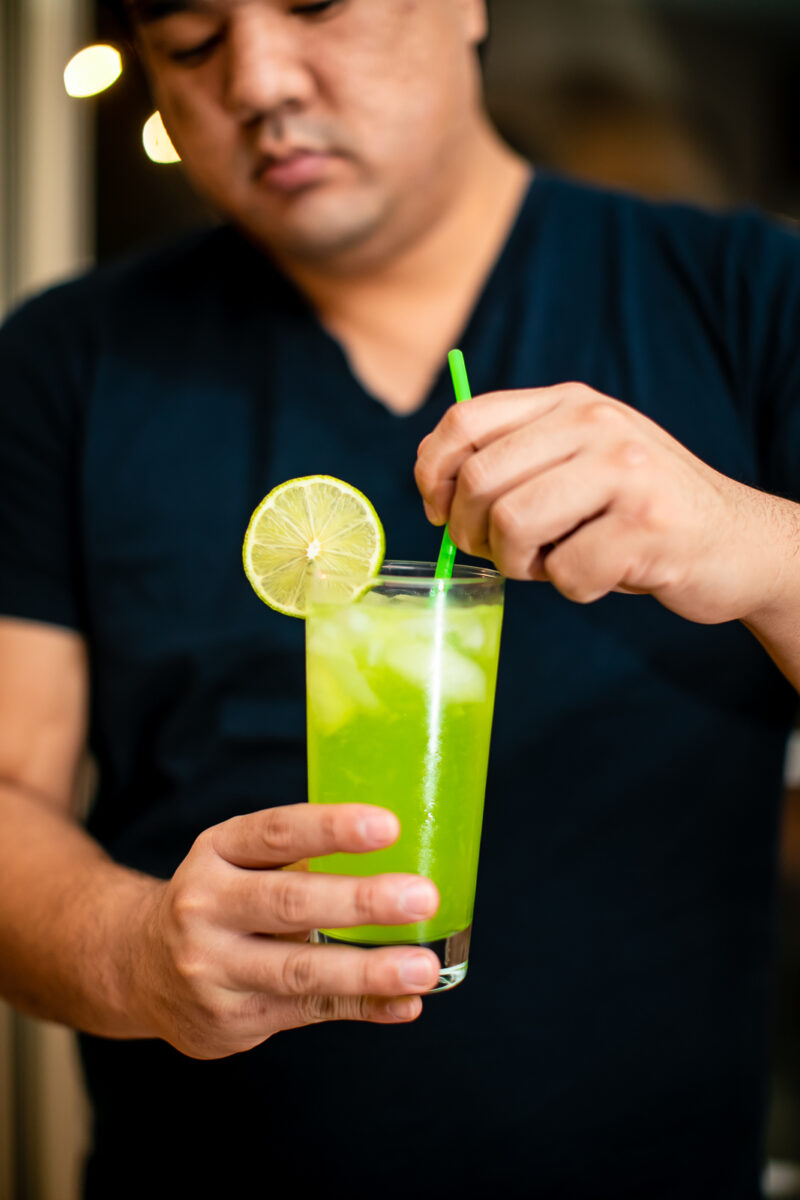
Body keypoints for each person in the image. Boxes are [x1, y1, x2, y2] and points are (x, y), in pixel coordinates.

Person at [1, 1, 800, 1196]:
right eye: (189, 39)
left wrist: (755, 547)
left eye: (316, 3)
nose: (260, 77)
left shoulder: (751, 297)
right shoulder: (68, 359)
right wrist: (134, 954)